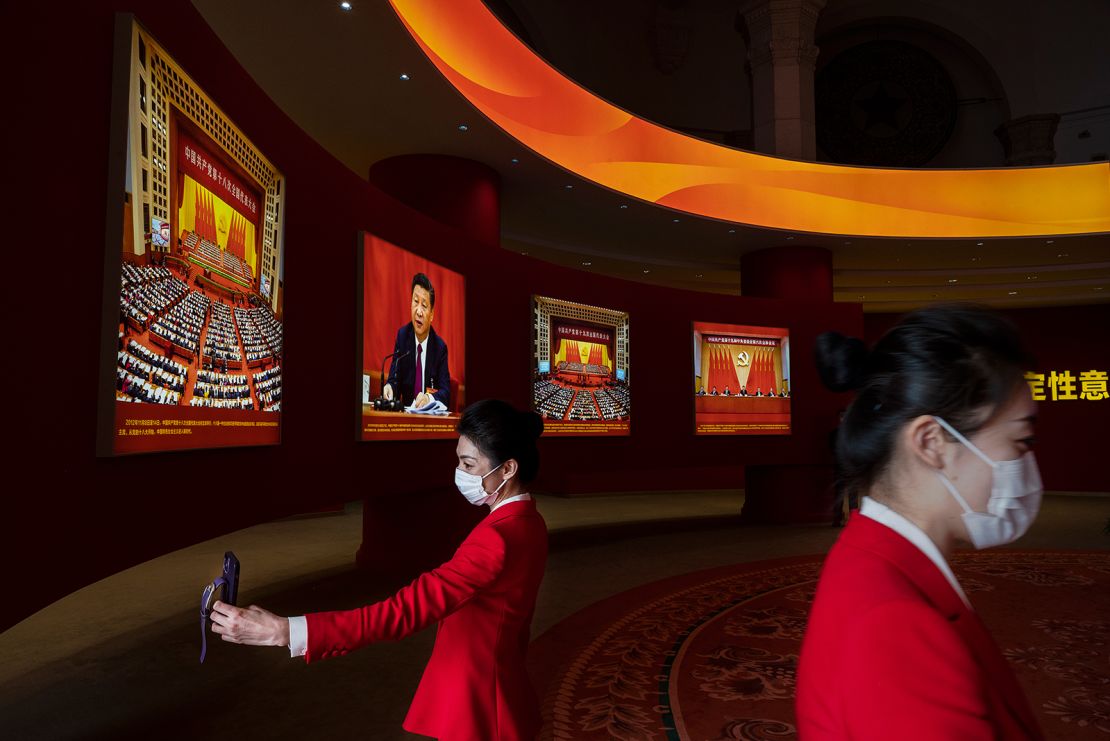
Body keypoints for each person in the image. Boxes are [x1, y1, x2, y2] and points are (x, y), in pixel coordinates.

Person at [211, 400, 548, 741]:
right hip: (498, 685)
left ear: (507, 469)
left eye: (469, 464)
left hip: (477, 703)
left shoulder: (496, 539)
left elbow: (403, 611)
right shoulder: (529, 522)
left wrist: (284, 631)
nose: (460, 473)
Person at [797, 304, 1044, 739]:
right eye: (1021, 441)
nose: (1028, 463)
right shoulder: (894, 625)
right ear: (932, 443)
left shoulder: (872, 558)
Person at [384, 272, 451, 409]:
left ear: (431, 314)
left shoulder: (439, 348)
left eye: (424, 306)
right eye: (415, 302)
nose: (418, 311)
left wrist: (428, 398)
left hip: (429, 422)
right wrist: (390, 387)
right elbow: (394, 378)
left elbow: (446, 393)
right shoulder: (403, 337)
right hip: (406, 421)